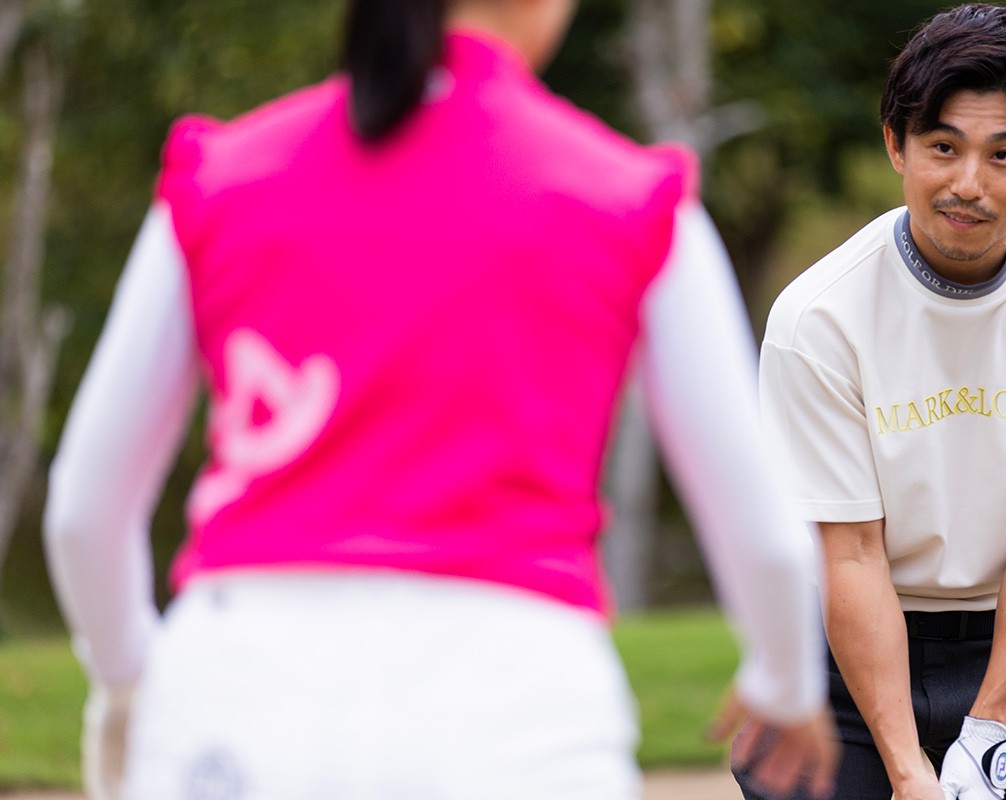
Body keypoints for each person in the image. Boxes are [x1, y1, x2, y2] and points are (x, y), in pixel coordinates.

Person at [43, 1, 840, 799]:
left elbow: (84, 514)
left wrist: (129, 678)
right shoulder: (632, 195)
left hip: (237, 689)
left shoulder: (217, 176)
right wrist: (784, 685)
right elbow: (765, 539)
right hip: (514, 707)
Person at [733, 4, 1006, 800]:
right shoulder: (815, 319)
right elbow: (850, 555)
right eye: (943, 147)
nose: (968, 185)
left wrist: (990, 732)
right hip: (839, 645)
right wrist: (908, 770)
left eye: (1004, 155)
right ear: (897, 144)